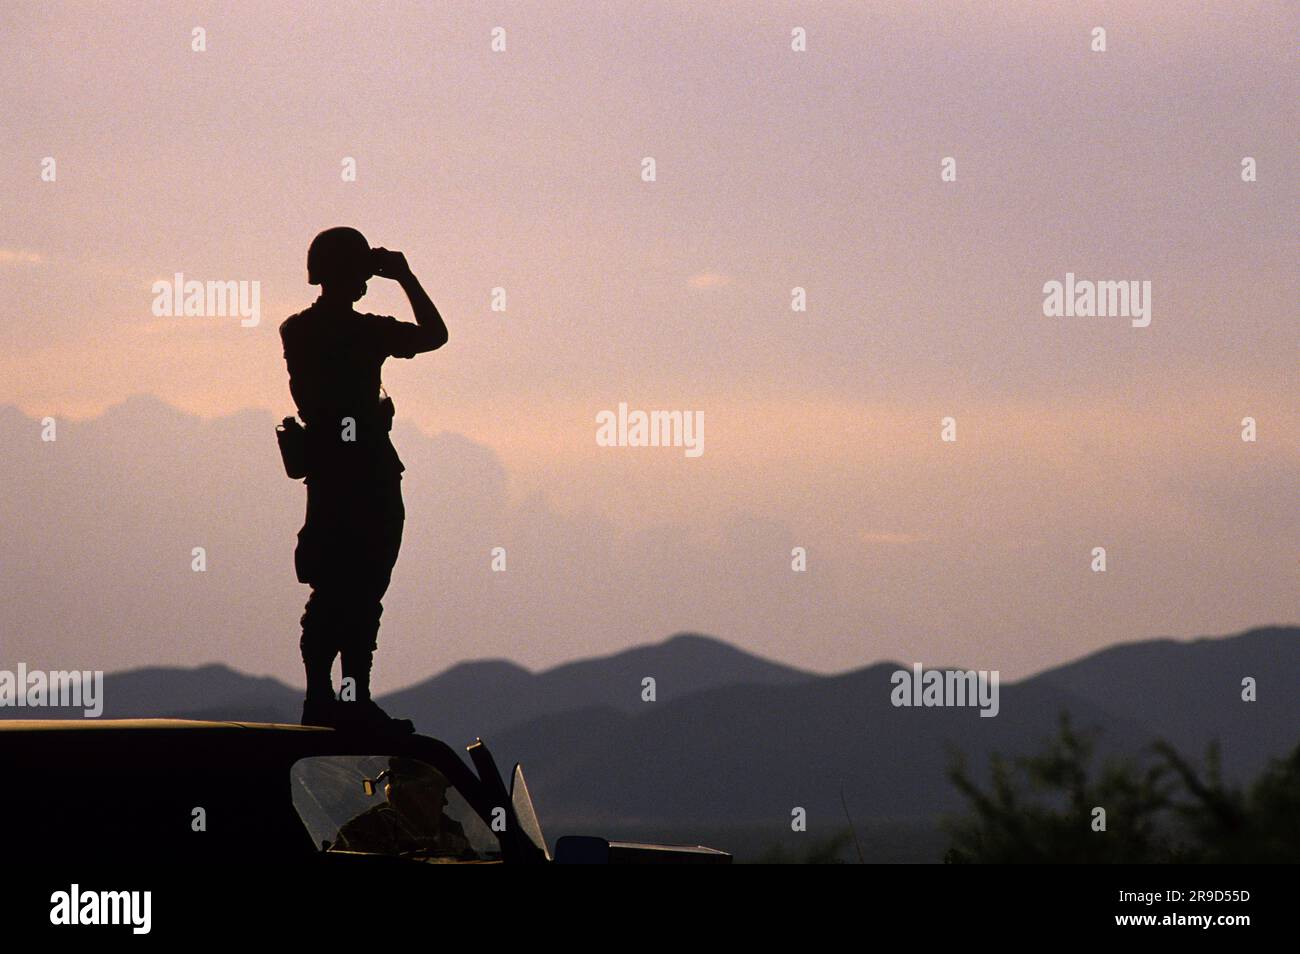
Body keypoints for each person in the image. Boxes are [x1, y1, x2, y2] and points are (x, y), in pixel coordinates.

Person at [280, 227, 447, 731]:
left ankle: (328, 698)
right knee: (359, 586)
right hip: (366, 474)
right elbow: (435, 334)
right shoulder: (363, 332)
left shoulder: (298, 329)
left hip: (333, 473)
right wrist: (404, 275)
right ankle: (347, 699)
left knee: (336, 586)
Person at [332, 757, 472, 858]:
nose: (444, 801)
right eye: (437, 790)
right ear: (407, 793)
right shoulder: (361, 832)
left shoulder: (451, 831)